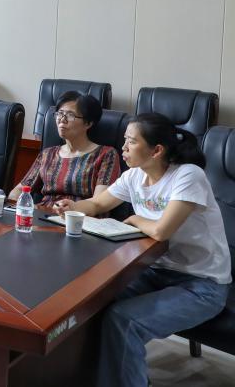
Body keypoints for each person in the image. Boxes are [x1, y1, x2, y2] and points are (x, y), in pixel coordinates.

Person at [53, 113, 231, 387]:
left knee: (125, 320)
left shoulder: (187, 175)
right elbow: (98, 204)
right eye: (125, 140)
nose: (123, 147)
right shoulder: (135, 176)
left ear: (156, 150)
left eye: (131, 142)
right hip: (154, 272)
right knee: (91, 301)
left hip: (202, 285)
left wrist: (135, 219)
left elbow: (161, 231)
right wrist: (73, 207)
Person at [9, 91, 120, 208]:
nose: (62, 119)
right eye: (60, 113)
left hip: (80, 216)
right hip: (42, 214)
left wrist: (65, 210)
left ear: (88, 123)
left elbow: (99, 204)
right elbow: (19, 190)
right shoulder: (48, 154)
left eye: (70, 115)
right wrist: (22, 206)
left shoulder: (106, 155)